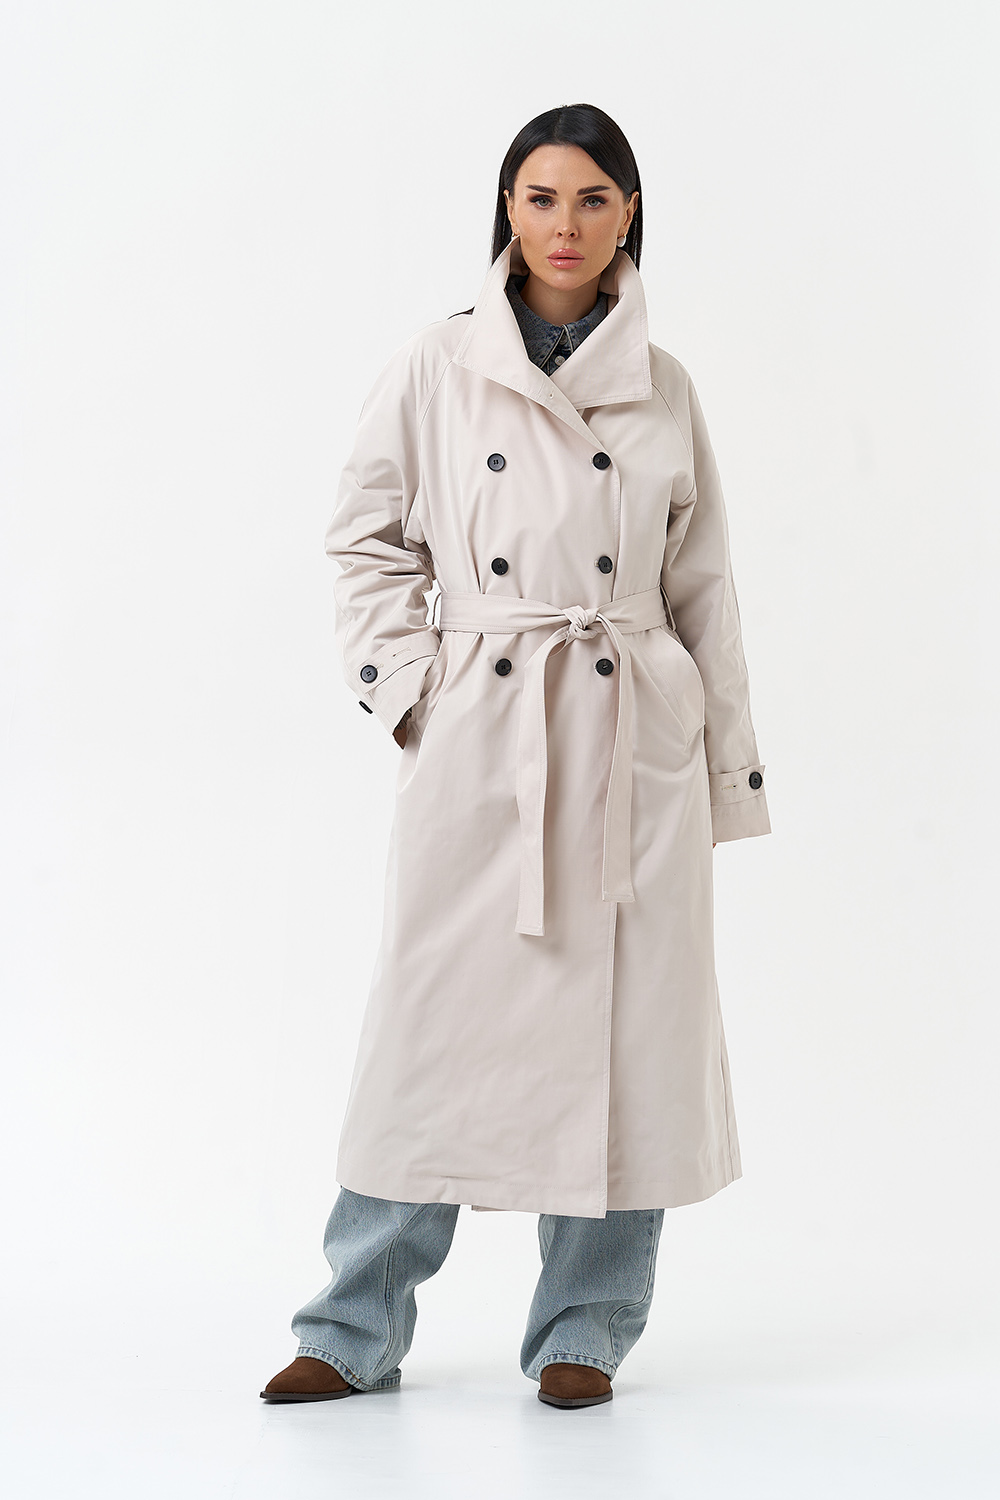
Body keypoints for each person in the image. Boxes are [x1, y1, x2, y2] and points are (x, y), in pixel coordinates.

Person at [262, 102, 770, 1411]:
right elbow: (365, 536)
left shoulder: (666, 384)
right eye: (541, 197)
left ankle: (587, 1327)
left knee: (625, 1044)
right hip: (486, 733)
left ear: (630, 213)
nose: (565, 225)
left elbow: (704, 588)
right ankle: (352, 1324)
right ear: (508, 208)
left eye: (593, 198)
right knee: (426, 1030)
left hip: (628, 736)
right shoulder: (438, 363)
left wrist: (722, 770)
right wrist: (411, 693)